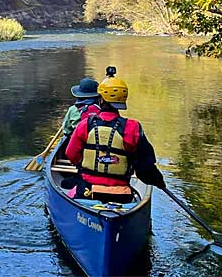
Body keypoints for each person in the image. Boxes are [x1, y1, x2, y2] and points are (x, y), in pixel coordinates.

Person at [65, 72, 165, 204]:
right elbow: (145, 167)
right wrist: (158, 181)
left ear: (100, 99)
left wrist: (88, 162)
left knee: (68, 184)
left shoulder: (85, 124)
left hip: (87, 192)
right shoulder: (133, 128)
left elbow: (71, 154)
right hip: (120, 195)